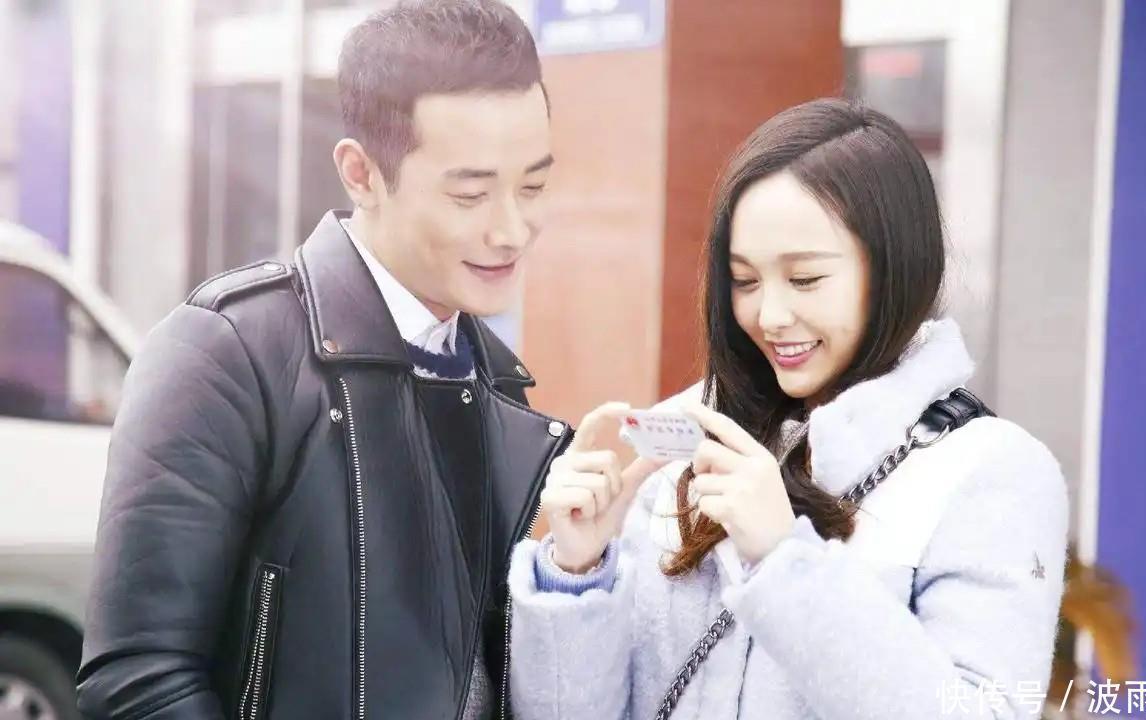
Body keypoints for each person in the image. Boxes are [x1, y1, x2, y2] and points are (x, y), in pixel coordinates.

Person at [76, 2, 570, 718]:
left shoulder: (495, 384)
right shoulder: (228, 354)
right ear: (361, 174)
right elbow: (137, 682)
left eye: (532, 186)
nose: (512, 229)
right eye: (470, 193)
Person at [508, 99, 1069, 719]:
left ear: (894, 269)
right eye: (745, 281)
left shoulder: (990, 472)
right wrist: (578, 570)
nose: (770, 315)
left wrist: (783, 560)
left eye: (805, 280)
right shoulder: (687, 444)